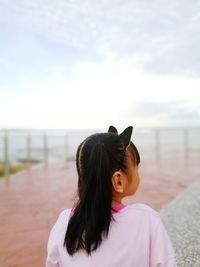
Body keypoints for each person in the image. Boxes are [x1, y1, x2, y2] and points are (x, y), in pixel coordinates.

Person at [46, 126, 177, 267]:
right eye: (136, 167)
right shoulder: (147, 220)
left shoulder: (65, 222)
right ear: (118, 181)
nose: (139, 174)